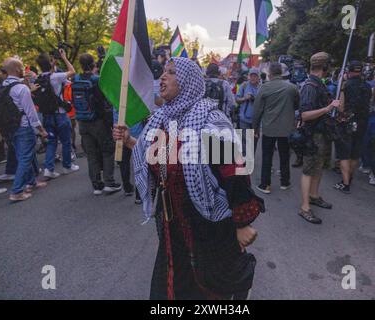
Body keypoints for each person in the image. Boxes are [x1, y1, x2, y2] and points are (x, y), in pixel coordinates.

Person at [113, 57, 264, 300]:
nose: (163, 76)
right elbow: (162, 157)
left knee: (208, 287)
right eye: (163, 72)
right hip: (172, 225)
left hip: (208, 224)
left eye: (171, 72)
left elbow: (234, 171)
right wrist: (131, 142)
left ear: (188, 82)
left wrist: (242, 223)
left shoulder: (210, 122)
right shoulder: (162, 118)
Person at [298, 52, 342, 225]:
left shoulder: (319, 84)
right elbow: (305, 115)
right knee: (309, 170)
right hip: (312, 135)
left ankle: (314, 196)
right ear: (324, 67)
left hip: (322, 133)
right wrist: (328, 108)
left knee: (318, 168)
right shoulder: (310, 86)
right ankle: (305, 207)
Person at [75, 53, 122, 196]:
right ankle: (109, 182)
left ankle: (96, 185)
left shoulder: (76, 79)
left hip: (82, 121)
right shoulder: (97, 80)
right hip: (98, 121)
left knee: (91, 154)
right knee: (107, 151)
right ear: (93, 63)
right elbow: (105, 101)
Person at [2, 58, 48, 202]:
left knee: (22, 155)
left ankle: (31, 182)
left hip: (10, 128)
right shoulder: (21, 89)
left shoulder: (3, 85)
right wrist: (41, 129)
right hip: (23, 127)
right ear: (17, 69)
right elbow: (31, 113)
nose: (24, 70)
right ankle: (16, 192)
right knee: (25, 158)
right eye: (22, 67)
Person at [253, 62, 299, 194]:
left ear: (270, 74)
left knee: (267, 156)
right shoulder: (292, 88)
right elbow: (296, 105)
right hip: (286, 128)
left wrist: (255, 128)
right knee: (285, 155)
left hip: (269, 128)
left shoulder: (264, 88)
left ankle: (265, 184)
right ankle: (285, 182)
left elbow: (257, 111)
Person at [35, 50, 79, 179]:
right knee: (66, 141)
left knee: (51, 142)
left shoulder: (38, 79)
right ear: (51, 62)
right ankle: (67, 166)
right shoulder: (56, 77)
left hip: (47, 116)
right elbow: (72, 71)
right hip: (60, 114)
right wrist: (64, 58)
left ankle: (49, 169)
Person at [334, 61, 372, 194]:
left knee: (344, 154)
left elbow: (341, 107)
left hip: (347, 122)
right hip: (362, 122)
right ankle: (349, 178)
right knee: (355, 154)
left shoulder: (346, 85)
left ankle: (345, 184)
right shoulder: (367, 86)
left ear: (349, 71)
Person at [236, 68, 261, 155]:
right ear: (248, 77)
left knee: (254, 140)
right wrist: (244, 98)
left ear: (258, 77)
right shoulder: (244, 85)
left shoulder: (262, 87)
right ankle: (245, 159)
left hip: (257, 121)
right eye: (251, 76)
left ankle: (251, 157)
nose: (253, 78)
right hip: (244, 119)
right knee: (245, 140)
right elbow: (237, 99)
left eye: (255, 76)